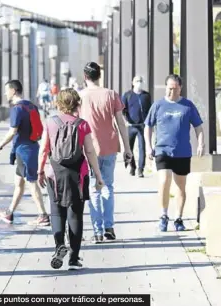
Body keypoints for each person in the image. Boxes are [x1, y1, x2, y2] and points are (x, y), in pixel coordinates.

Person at [38, 88, 104, 270]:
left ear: (58, 103)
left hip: (54, 173)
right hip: (78, 175)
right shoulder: (82, 125)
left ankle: (59, 245)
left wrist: (40, 171)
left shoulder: (50, 122)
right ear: (77, 104)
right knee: (75, 215)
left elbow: (44, 149)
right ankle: (74, 259)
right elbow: (90, 151)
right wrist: (98, 176)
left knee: (56, 211)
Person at [79, 62, 132, 242]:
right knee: (108, 186)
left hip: (89, 148)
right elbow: (120, 122)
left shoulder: (81, 96)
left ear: (85, 77)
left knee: (95, 189)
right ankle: (109, 227)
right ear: (99, 76)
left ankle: (97, 231)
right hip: (110, 145)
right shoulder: (111, 94)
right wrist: (127, 148)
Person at [144, 74, 205, 232]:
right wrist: (149, 146)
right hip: (162, 150)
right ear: (166, 88)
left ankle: (178, 218)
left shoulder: (187, 106)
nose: (172, 91)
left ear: (180, 88)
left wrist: (201, 144)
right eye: (169, 88)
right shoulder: (158, 105)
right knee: (164, 180)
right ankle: (163, 215)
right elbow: (148, 127)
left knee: (180, 186)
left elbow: (198, 126)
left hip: (182, 152)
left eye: (175, 88)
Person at [0, 80, 50, 226]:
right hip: (31, 148)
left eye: (7, 90)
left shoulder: (17, 109)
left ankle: (43, 215)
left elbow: (12, 131)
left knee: (31, 182)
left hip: (24, 151)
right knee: (19, 182)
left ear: (13, 90)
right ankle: (9, 213)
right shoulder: (31, 106)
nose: (5, 93)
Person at [121, 76, 152, 178]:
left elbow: (150, 110)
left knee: (142, 147)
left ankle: (140, 169)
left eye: (141, 81)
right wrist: (125, 121)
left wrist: (148, 123)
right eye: (137, 81)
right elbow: (122, 110)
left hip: (142, 126)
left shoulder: (146, 96)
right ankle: (132, 166)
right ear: (133, 83)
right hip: (131, 126)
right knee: (129, 148)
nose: (139, 83)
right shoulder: (127, 95)